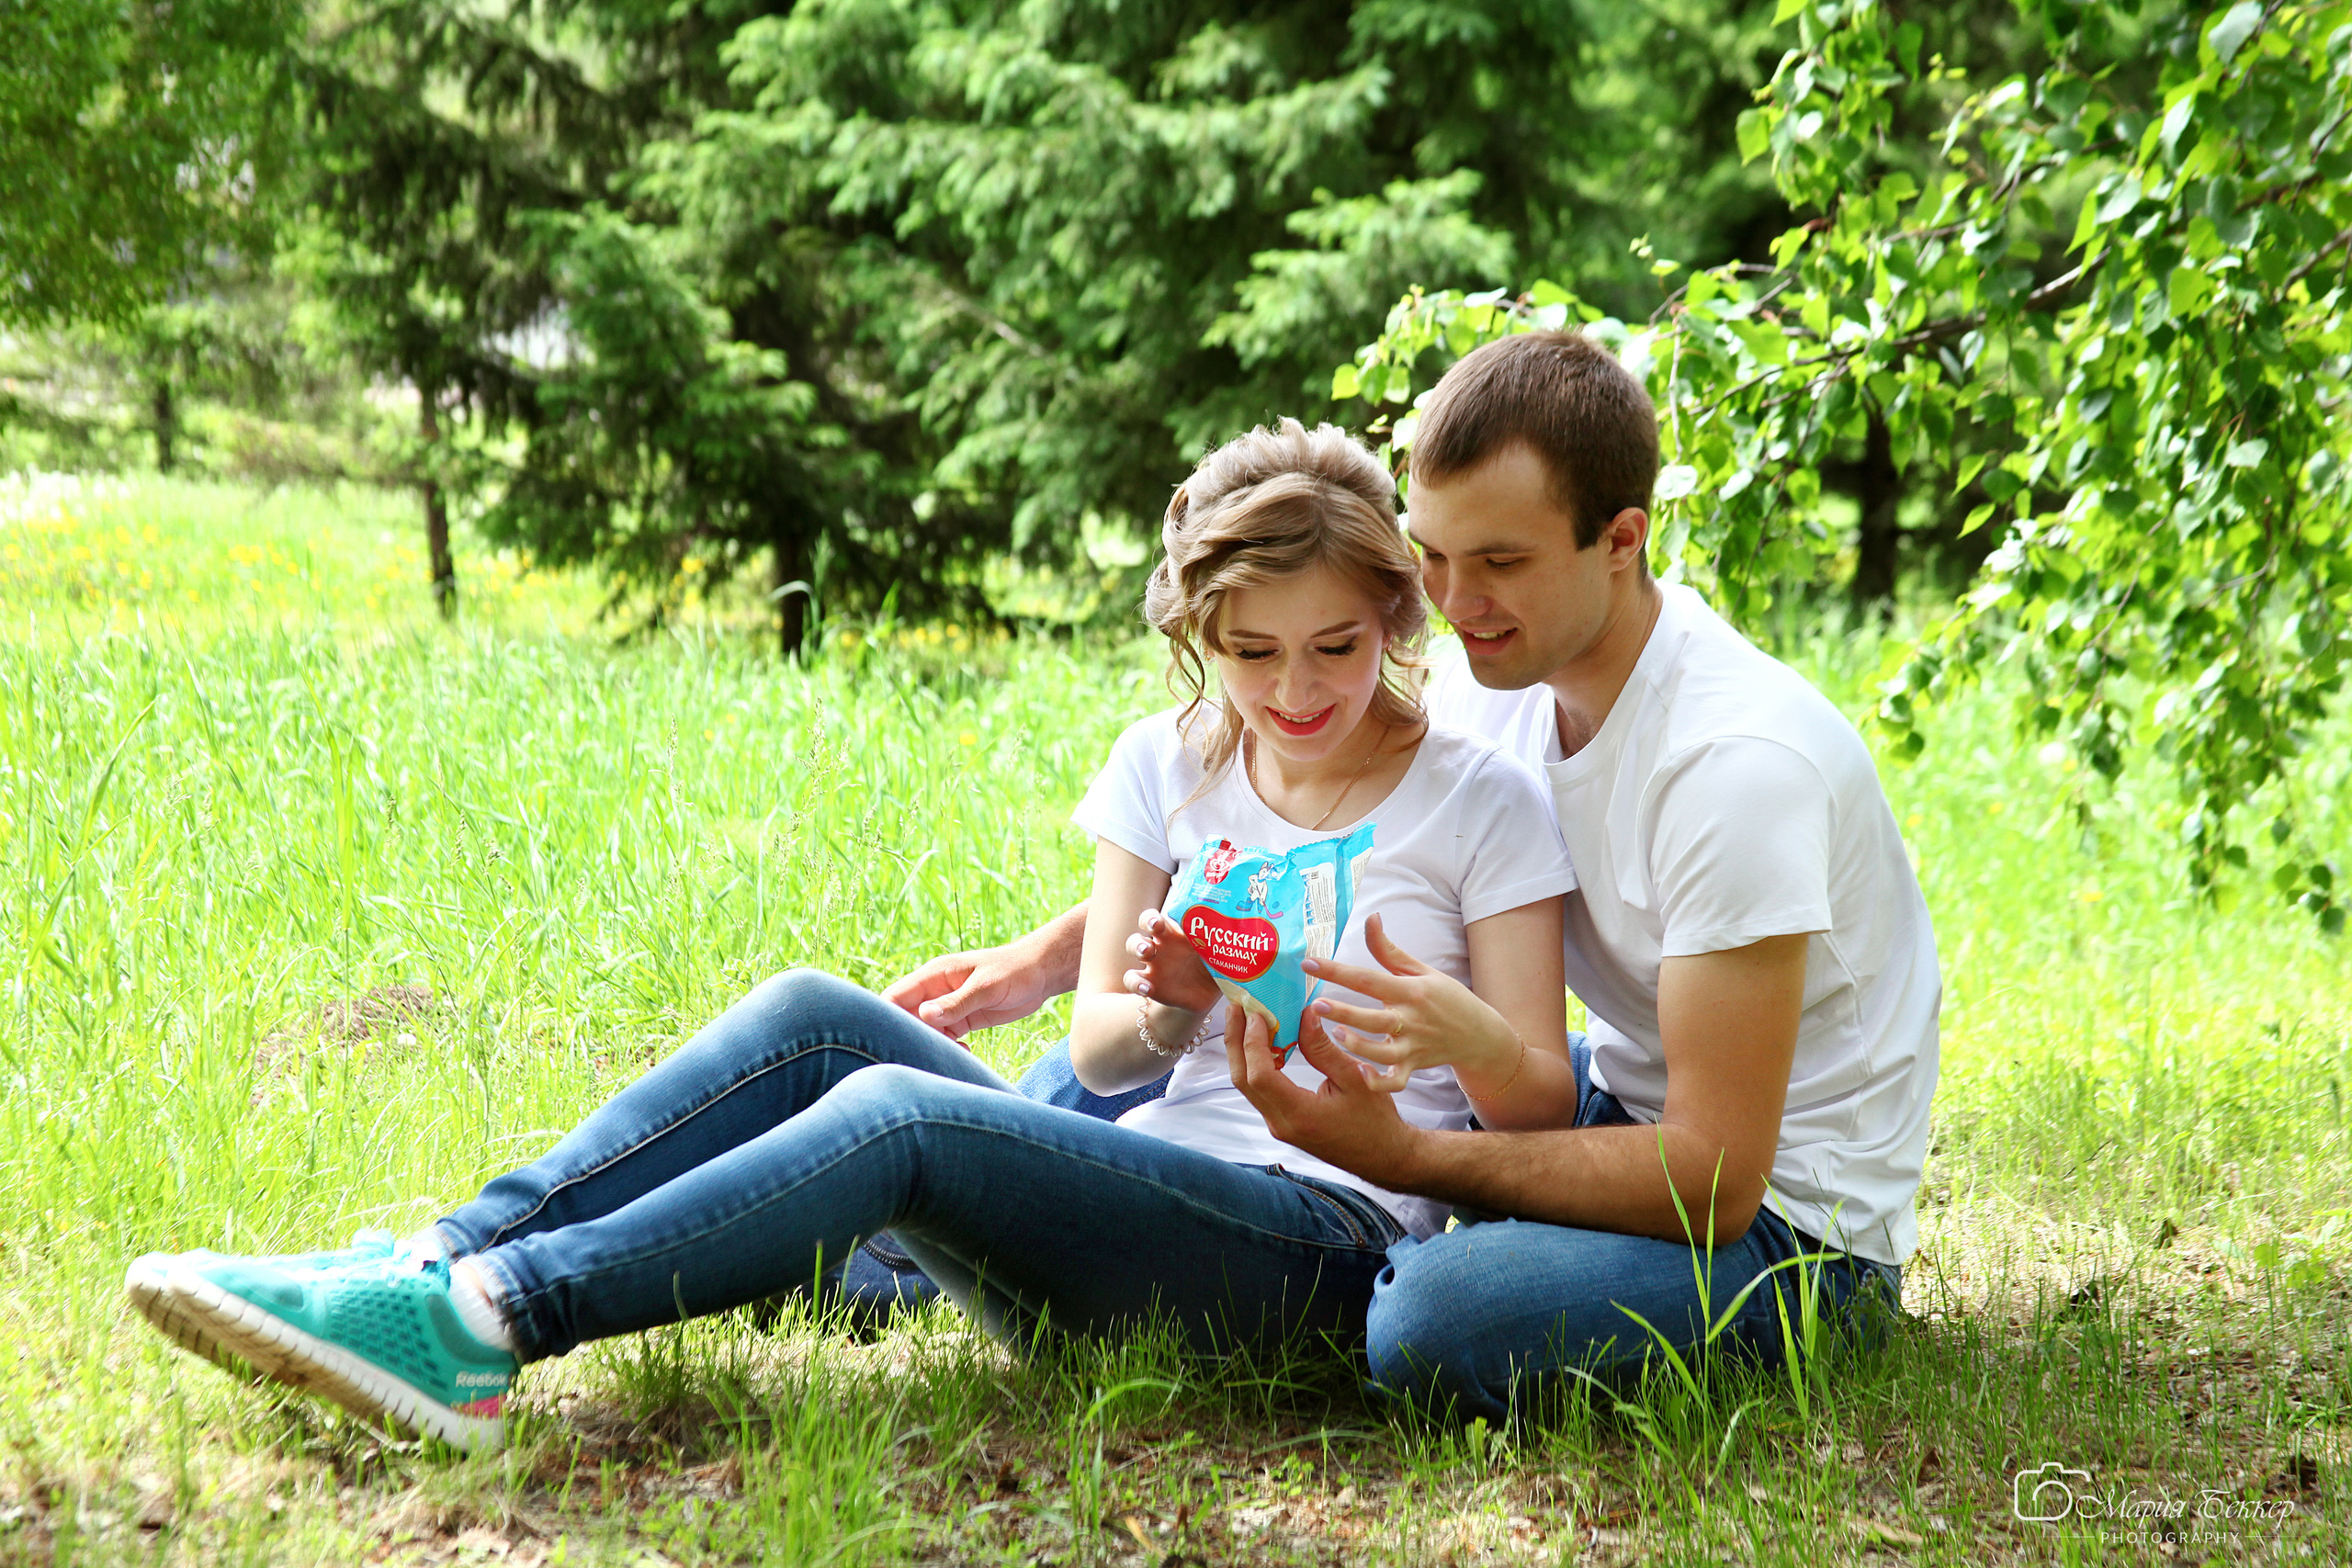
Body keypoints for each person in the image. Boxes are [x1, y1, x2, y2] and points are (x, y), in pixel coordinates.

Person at [120, 419, 1578, 1452]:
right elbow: (1100, 1055)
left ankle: (487, 1325)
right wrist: (1174, 1001)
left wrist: (1452, 1041)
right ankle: (435, 1262)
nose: (1295, 689)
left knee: (898, 1114)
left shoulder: (1480, 801)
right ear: (1200, 627)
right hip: (1114, 1202)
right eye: (1252, 651)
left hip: (1312, 1243)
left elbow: (1537, 1106)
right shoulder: (1170, 761)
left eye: (1333, 645)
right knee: (816, 1012)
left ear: (1396, 611)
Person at [892, 331, 1939, 1421]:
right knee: (1140, 1055)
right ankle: (907, 1236)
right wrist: (1059, 960)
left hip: (1778, 1224)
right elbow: (1339, 873)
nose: (1452, 598)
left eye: (1499, 561)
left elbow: (1716, 1181)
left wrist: (1411, 1156)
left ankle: (957, 1228)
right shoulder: (1510, 664)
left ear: (1620, 540)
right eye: (1434, 556)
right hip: (1622, 1098)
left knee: (1428, 1326)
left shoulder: (1736, 768)